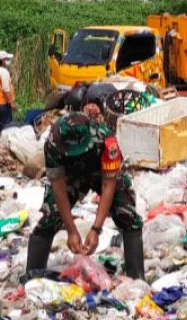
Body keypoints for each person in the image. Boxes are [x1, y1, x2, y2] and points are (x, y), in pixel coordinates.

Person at [25, 88, 145, 278]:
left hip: (100, 171)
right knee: (50, 214)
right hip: (71, 175)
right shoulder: (53, 143)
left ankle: (137, 277)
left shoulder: (106, 139)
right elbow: (58, 188)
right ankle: (32, 276)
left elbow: (108, 184)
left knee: (127, 212)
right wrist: (72, 231)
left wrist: (96, 229)